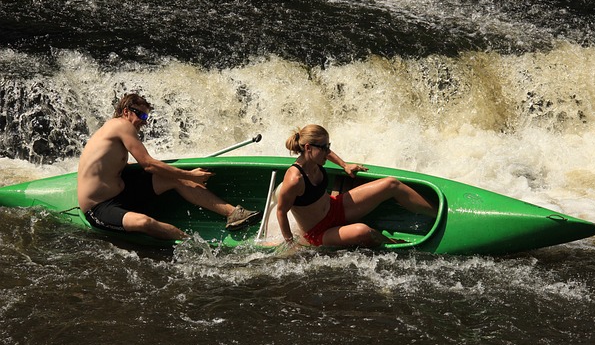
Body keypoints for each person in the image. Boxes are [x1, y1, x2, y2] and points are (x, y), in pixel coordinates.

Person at [77, 93, 261, 240]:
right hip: (99, 207)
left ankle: (234, 213)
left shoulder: (114, 130)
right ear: (126, 111)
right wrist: (190, 175)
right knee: (144, 222)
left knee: (175, 178)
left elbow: (120, 164)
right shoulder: (121, 125)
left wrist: (180, 175)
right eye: (140, 114)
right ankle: (191, 244)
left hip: (121, 192)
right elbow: (148, 164)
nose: (144, 120)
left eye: (146, 116)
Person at [276, 124, 437, 248]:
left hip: (335, 207)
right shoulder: (295, 179)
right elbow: (281, 212)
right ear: (308, 148)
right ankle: (398, 245)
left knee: (390, 184)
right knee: (363, 231)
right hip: (319, 233)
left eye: (329, 146)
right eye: (324, 148)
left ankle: (438, 214)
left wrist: (344, 165)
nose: (328, 151)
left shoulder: (317, 158)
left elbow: (328, 153)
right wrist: (291, 243)